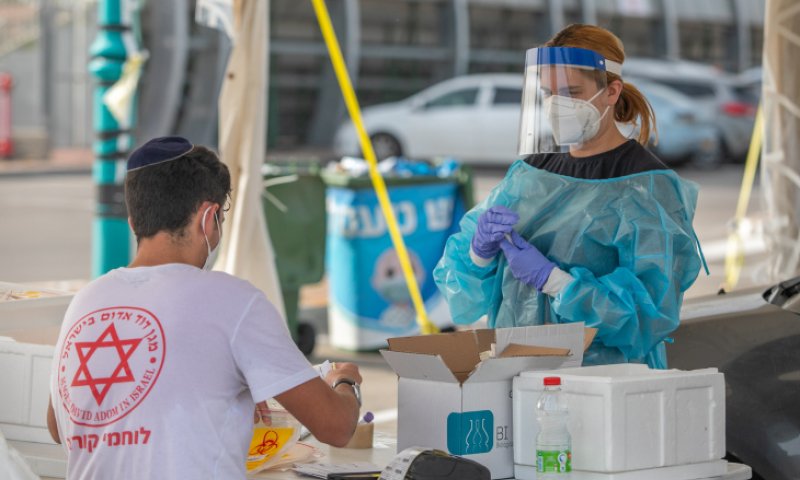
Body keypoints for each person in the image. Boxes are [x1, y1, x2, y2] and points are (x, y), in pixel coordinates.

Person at [46, 136, 363, 479]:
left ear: (134, 222)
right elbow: (336, 427)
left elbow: (57, 425)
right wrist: (344, 381)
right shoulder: (234, 300)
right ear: (209, 217)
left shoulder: (88, 299)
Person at [434, 24, 707, 369]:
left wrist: (554, 281)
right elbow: (463, 297)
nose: (556, 106)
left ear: (611, 91)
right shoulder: (530, 176)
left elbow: (646, 316)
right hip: (519, 373)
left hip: (607, 381)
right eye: (548, 93)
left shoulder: (645, 187)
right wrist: (478, 255)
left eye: (572, 92)